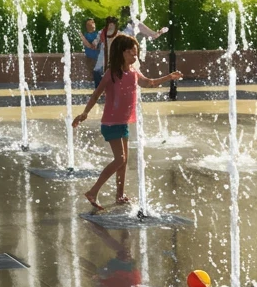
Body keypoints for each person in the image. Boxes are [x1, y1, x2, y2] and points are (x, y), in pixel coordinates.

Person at [73, 33, 181, 212]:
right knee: (120, 159)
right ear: (122, 53)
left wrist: (169, 77)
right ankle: (93, 191)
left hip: (122, 123)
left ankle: (120, 195)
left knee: (124, 161)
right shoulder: (112, 74)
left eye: (136, 53)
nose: (135, 56)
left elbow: (150, 82)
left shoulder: (133, 73)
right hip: (110, 123)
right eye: (132, 53)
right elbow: (96, 94)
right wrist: (85, 113)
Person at [94, 15, 119, 87]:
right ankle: (98, 87)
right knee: (97, 70)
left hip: (115, 54)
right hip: (103, 53)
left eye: (112, 25)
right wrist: (95, 43)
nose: (111, 26)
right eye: (109, 24)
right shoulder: (102, 32)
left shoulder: (118, 33)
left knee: (114, 71)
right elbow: (96, 40)